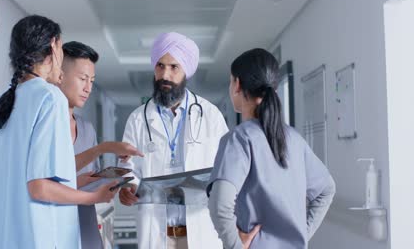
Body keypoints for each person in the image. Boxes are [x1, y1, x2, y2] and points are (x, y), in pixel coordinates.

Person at [0, 15, 119, 249]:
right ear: (54, 47)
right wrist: (94, 197)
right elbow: (39, 187)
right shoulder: (49, 97)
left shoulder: (5, 104)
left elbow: (23, 178)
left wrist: (78, 179)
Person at [207, 48, 336, 249]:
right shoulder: (295, 139)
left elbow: (220, 205)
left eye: (231, 81)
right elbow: (326, 189)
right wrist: (302, 233)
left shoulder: (239, 139)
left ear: (237, 85)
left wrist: (235, 246)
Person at [118, 32, 229, 249]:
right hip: (156, 219)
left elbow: (226, 166)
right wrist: (127, 188)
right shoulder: (138, 119)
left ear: (185, 71)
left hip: (199, 220)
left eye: (173, 67)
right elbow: (127, 168)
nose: (165, 74)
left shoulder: (210, 115)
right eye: (160, 65)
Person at [58, 41, 142, 249]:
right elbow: (45, 185)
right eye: (82, 79)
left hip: (87, 227)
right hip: (57, 228)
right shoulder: (45, 129)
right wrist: (105, 148)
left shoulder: (87, 129)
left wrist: (115, 178)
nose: (88, 88)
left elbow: (89, 179)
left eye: (92, 81)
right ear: (59, 75)